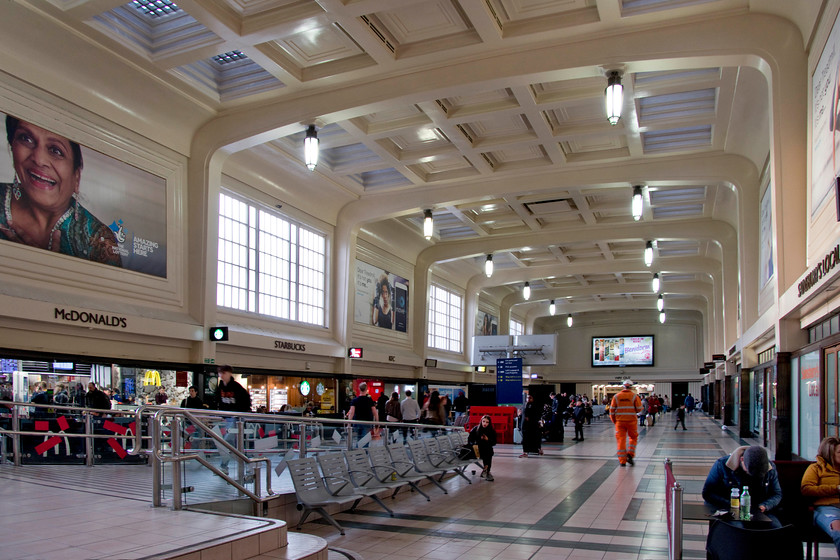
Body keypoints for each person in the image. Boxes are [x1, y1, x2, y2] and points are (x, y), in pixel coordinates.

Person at [0, 116, 121, 265]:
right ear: (12, 147)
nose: (39, 159)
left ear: (76, 177)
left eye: (55, 150)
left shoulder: (99, 241)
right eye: (26, 138)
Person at [702, 445, 782, 516]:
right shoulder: (722, 465)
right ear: (742, 459)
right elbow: (708, 493)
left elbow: (777, 493)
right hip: (730, 510)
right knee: (738, 529)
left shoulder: (769, 468)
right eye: (748, 472)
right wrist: (732, 504)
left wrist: (765, 505)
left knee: (775, 529)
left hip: (759, 510)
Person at [801, 436, 840, 557]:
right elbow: (806, 489)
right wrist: (836, 488)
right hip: (827, 507)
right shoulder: (816, 468)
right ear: (830, 454)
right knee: (838, 531)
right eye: (839, 452)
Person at [213, 365, 252, 474]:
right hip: (228, 419)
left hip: (236, 419)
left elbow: (246, 400)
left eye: (223, 373)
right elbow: (217, 401)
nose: (221, 376)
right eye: (220, 373)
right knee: (236, 445)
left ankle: (224, 465)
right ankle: (247, 464)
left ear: (229, 373)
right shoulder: (220, 388)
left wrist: (241, 413)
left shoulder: (237, 387)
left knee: (227, 442)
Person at [610, 379, 642, 467]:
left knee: (621, 440)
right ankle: (630, 454)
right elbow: (639, 409)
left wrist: (614, 421)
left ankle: (622, 461)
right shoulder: (634, 396)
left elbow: (611, 411)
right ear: (631, 387)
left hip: (620, 422)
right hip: (631, 421)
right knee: (633, 437)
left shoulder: (616, 396)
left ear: (623, 386)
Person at [469, 414, 497, 481]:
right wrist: (477, 441)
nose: (485, 423)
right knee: (488, 451)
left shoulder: (491, 431)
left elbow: (494, 443)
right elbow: (470, 440)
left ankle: (486, 470)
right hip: (476, 450)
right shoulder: (476, 429)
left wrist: (487, 439)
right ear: (481, 421)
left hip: (485, 450)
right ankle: (487, 470)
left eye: (487, 422)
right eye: (483, 421)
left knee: (488, 450)